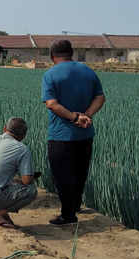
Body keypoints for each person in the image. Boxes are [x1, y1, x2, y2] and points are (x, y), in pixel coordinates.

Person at [42, 39, 106, 225]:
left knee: (62, 175)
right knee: (80, 172)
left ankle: (68, 215)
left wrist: (74, 118)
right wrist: (86, 115)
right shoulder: (88, 71)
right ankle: (75, 205)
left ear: (52, 56)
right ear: (72, 53)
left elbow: (52, 104)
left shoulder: (50, 74)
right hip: (85, 134)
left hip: (61, 134)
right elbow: (100, 97)